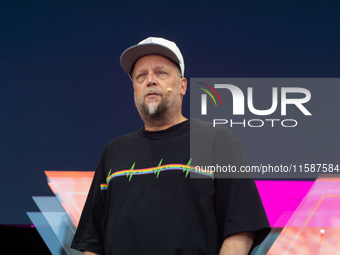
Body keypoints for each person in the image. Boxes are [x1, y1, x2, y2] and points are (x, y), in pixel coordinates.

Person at [71, 37, 270, 255]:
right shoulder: (113, 152)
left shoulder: (215, 140)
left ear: (182, 86)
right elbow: (91, 242)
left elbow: (241, 227)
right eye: (141, 76)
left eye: (161, 73)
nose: (150, 80)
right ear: (135, 89)